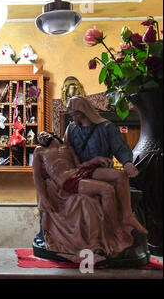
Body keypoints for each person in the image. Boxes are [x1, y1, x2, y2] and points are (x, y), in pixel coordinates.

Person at [34, 95, 139, 247]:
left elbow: (120, 148)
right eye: (71, 113)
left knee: (121, 175)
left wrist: (127, 163)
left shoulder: (106, 127)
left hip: (96, 171)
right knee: (49, 187)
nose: (72, 116)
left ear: (83, 111)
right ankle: (45, 233)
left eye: (74, 113)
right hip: (77, 172)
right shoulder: (71, 129)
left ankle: (126, 217)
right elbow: (68, 155)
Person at [32, 131, 148, 263]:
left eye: (43, 133)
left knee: (120, 175)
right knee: (107, 190)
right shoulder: (39, 151)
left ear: (52, 134)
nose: (41, 136)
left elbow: (79, 166)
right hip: (67, 180)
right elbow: (37, 176)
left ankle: (127, 216)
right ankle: (116, 230)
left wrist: (96, 160)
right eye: (39, 136)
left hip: (79, 172)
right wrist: (44, 197)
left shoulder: (67, 147)